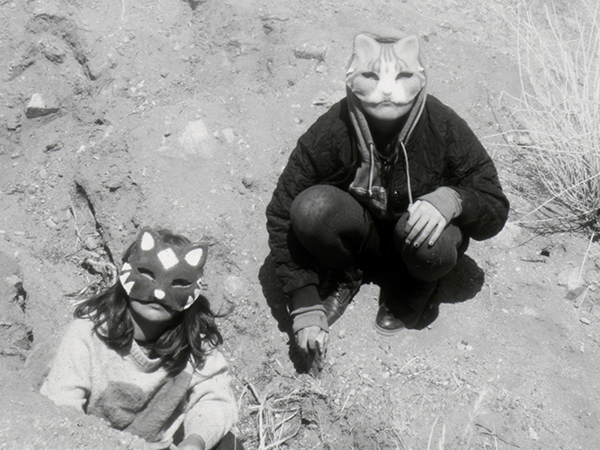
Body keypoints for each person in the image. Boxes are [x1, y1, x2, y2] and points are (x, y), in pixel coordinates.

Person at [266, 32, 509, 359]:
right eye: (371, 75)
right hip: (359, 236)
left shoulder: (443, 125)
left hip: (415, 239)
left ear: (421, 77)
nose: (387, 89)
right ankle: (346, 272)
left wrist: (453, 199)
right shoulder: (332, 128)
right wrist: (303, 299)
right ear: (350, 76)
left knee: (436, 243)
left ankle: (417, 284)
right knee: (311, 208)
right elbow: (282, 210)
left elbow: (494, 205)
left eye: (403, 76)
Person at [41, 227, 244, 450]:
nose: (159, 293)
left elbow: (216, 399)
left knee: (228, 444)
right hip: (96, 445)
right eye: (148, 275)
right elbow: (61, 409)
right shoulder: (88, 333)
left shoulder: (195, 343)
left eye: (177, 283)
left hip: (163, 446)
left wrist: (195, 441)